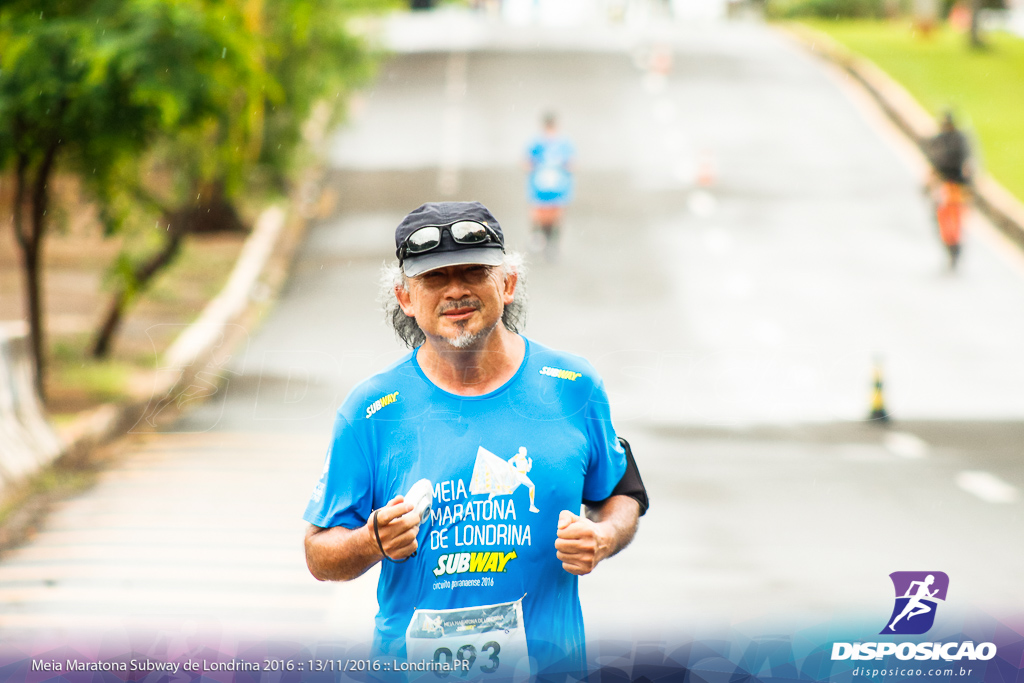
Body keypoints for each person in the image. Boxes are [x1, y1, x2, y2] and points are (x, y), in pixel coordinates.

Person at [302, 201, 648, 681]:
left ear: (506, 284)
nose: (457, 290)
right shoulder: (370, 411)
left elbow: (621, 494)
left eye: (472, 272)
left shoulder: (573, 386)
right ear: (405, 297)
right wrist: (371, 540)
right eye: (435, 279)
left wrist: (604, 537)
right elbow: (319, 553)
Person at [925, 111, 972, 270]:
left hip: (952, 186)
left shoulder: (946, 142)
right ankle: (952, 246)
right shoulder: (956, 141)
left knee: (950, 218)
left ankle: (953, 246)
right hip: (950, 186)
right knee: (948, 218)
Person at [525, 113, 574, 261]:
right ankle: (538, 239)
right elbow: (526, 162)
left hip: (558, 186)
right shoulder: (536, 143)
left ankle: (552, 245)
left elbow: (572, 164)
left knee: (556, 214)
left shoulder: (564, 144)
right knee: (539, 213)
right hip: (540, 185)